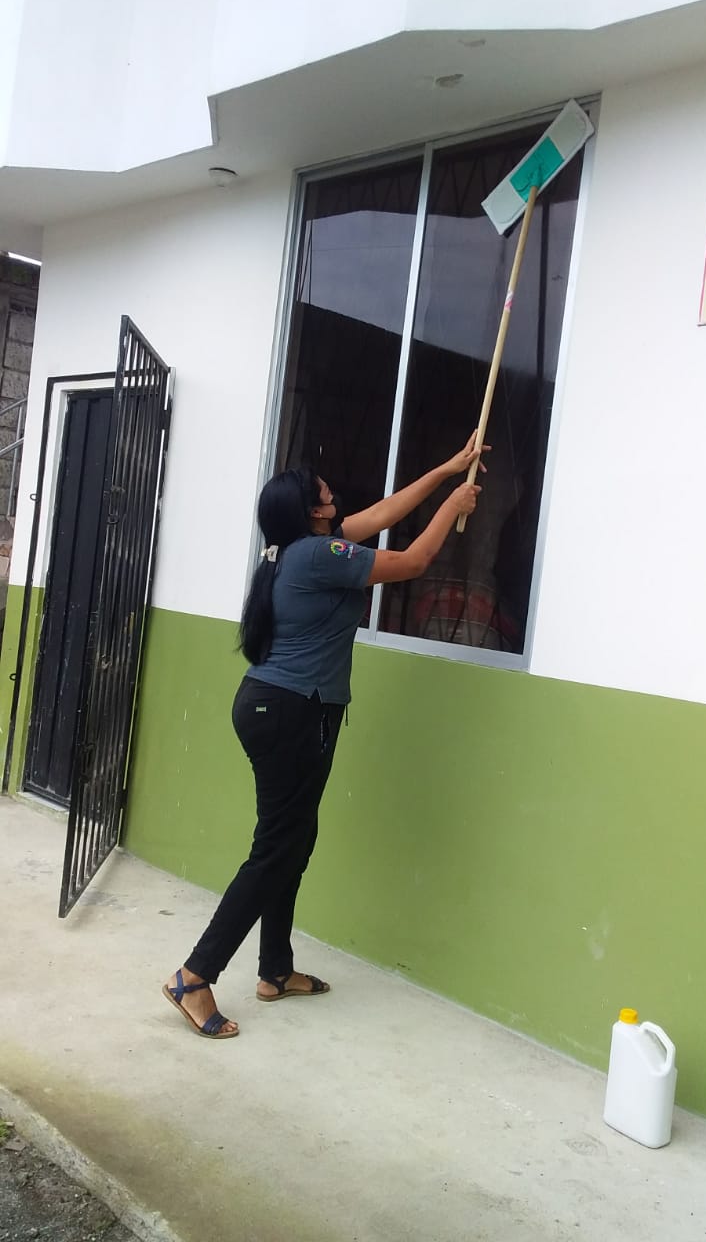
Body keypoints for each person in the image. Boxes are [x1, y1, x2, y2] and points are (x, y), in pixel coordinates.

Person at [162, 436, 486, 1038]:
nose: (330, 489)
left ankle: (275, 970)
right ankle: (194, 976)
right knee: (275, 849)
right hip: (292, 712)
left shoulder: (298, 548)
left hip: (276, 706)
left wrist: (448, 468)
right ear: (312, 511)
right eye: (322, 490)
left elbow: (383, 513)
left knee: (293, 840)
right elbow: (413, 562)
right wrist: (455, 505)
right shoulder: (318, 556)